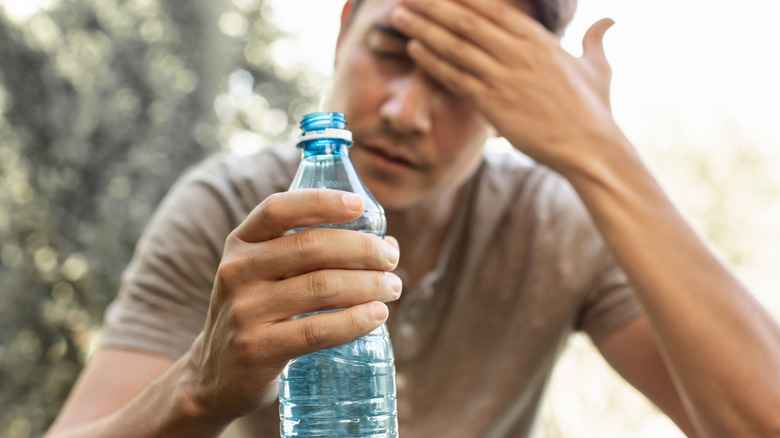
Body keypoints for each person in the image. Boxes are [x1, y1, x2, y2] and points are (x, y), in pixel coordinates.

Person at [46, 0, 780, 436]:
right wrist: (198, 388)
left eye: (466, 81)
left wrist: (598, 150)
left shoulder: (558, 225)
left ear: (520, 101)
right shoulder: (230, 212)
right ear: (342, 30)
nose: (406, 112)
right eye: (391, 52)